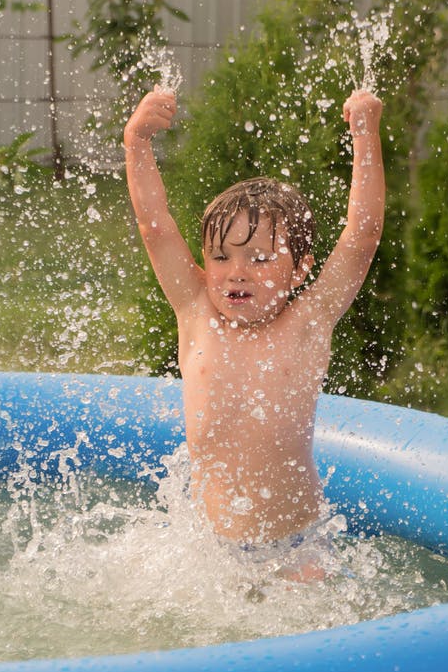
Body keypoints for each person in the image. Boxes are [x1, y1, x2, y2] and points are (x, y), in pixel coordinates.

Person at [123, 86, 384, 578]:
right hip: (209, 551)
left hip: (296, 549)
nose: (236, 272)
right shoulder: (196, 311)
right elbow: (154, 226)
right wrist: (136, 142)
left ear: (301, 268)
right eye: (221, 257)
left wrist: (365, 135)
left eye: (259, 258)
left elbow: (363, 235)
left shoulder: (308, 323)